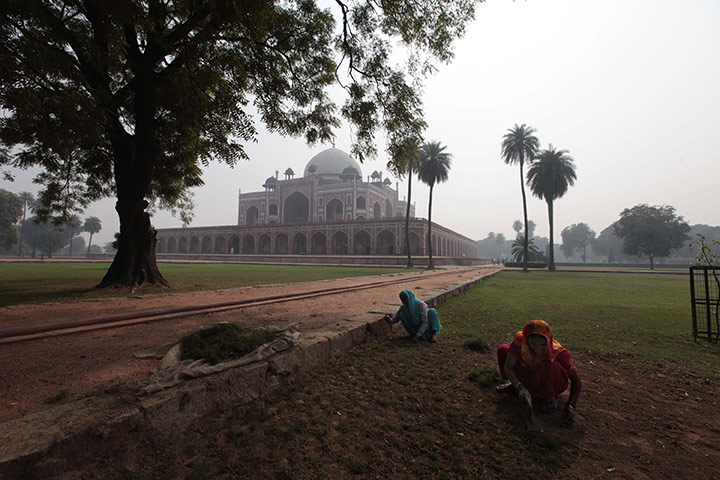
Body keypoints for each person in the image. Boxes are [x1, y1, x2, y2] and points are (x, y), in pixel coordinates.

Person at [496, 320, 581, 428]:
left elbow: (577, 381)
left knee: (553, 366)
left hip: (546, 381)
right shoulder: (520, 342)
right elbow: (508, 367)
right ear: (527, 339)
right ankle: (515, 387)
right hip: (528, 377)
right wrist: (519, 386)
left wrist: (571, 406)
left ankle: (548, 397)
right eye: (533, 344)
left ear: (548, 341)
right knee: (504, 350)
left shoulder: (557, 352)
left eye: (543, 345)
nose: (537, 349)